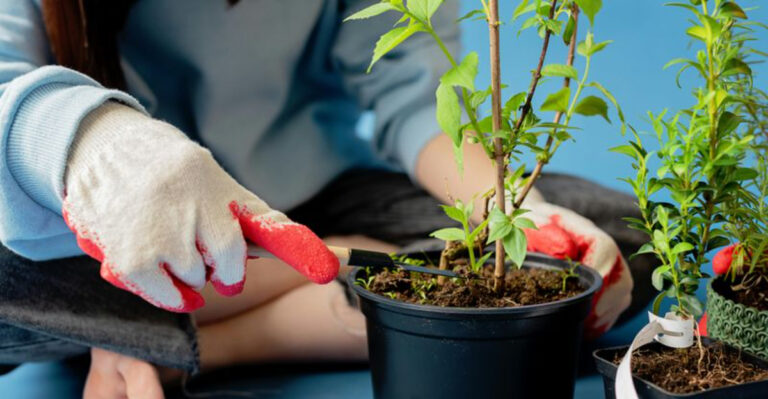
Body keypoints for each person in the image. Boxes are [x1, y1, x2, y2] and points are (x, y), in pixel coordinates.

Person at [0, 1, 634, 397]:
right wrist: (97, 146)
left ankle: (171, 343)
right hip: (88, 229)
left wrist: (513, 217)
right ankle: (370, 281)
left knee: (611, 234)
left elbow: (418, 95)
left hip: (311, 198)